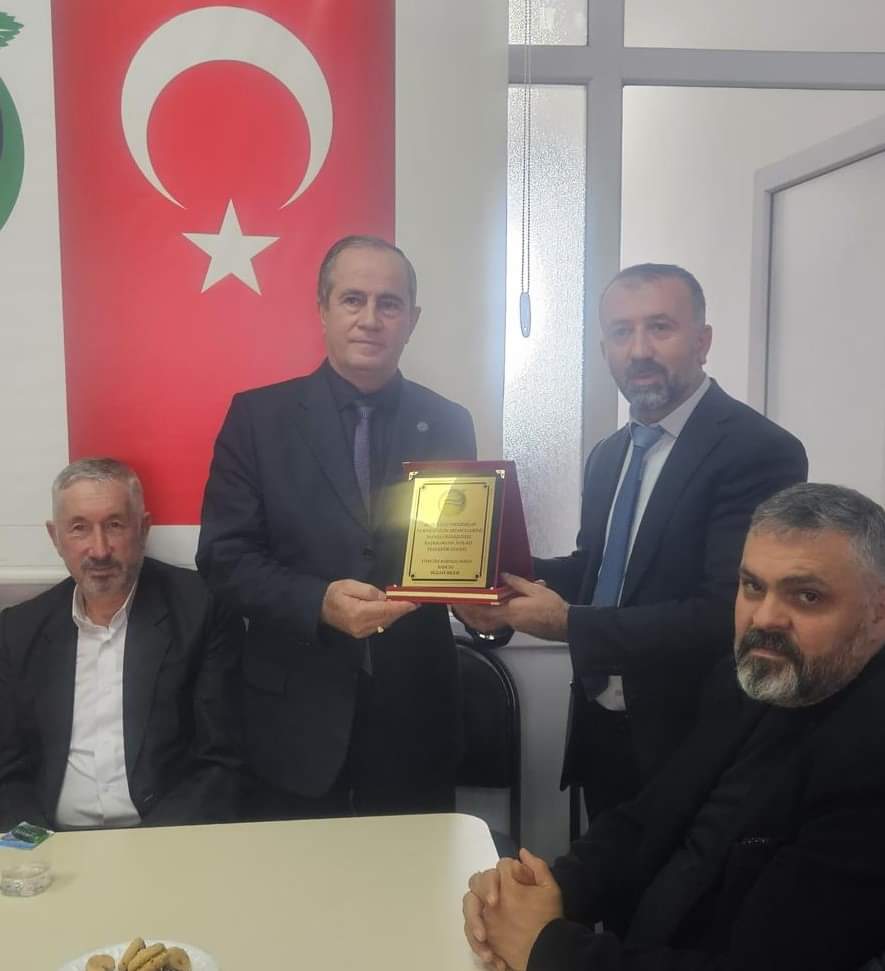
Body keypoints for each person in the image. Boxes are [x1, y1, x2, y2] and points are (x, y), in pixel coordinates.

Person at [463, 483, 885, 971]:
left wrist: (545, 948)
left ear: (878, 610)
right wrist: (542, 891)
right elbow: (650, 816)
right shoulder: (750, 677)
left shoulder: (868, 760)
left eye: (807, 596)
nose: (766, 618)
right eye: (752, 587)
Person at [457, 264, 807, 816]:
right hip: (603, 728)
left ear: (702, 341)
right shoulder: (609, 455)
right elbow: (600, 572)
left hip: (698, 741)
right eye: (622, 332)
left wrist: (568, 624)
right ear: (605, 350)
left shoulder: (758, 450)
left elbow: (730, 613)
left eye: (660, 327)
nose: (639, 350)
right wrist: (493, 576)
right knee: (606, 871)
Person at [197, 234, 476, 818]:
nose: (370, 319)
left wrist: (484, 597)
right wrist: (317, 602)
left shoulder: (449, 422)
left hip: (414, 717)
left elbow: (453, 550)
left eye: (389, 304)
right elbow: (224, 557)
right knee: (295, 876)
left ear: (412, 320)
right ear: (322, 309)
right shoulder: (257, 418)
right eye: (353, 299)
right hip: (293, 717)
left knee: (410, 873)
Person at [0, 458, 244, 831]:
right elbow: (8, 770)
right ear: (55, 537)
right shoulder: (17, 630)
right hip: (52, 841)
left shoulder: (202, 611)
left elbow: (221, 763)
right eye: (79, 528)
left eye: (114, 525)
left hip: (168, 837)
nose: (99, 550)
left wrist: (149, 850)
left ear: (143, 529)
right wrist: (37, 845)